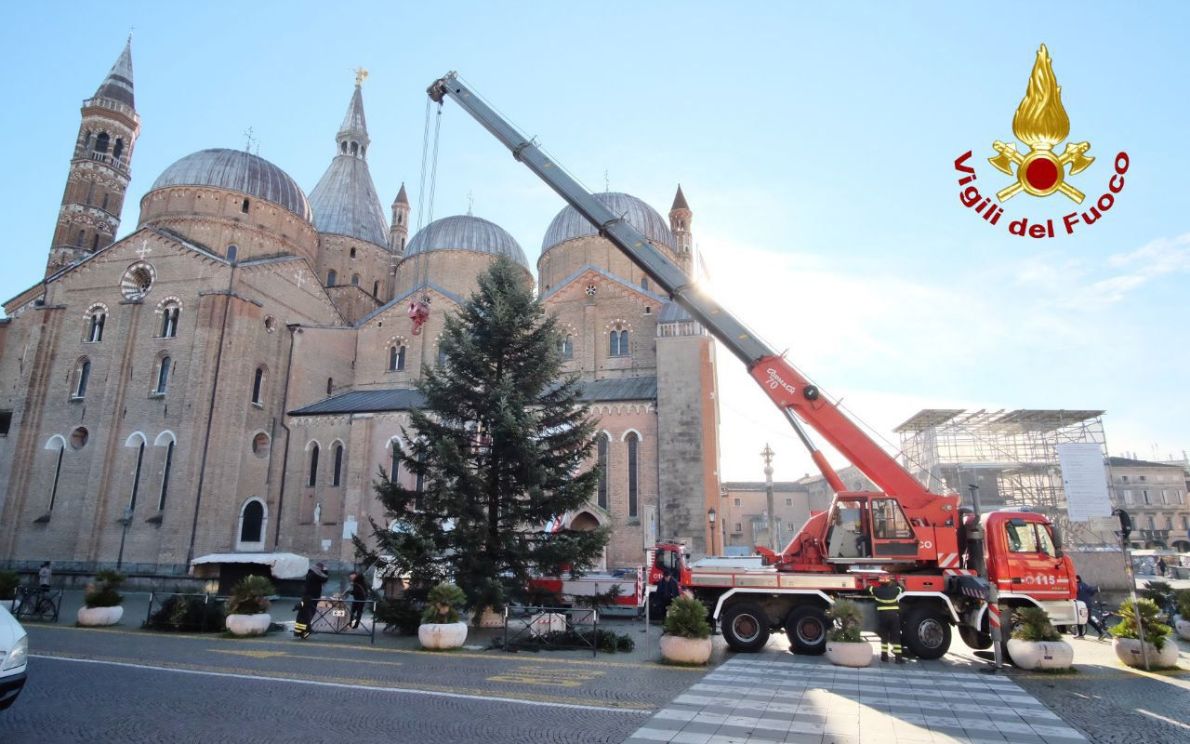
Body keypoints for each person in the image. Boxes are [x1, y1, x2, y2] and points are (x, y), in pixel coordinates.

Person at [869, 574, 905, 663]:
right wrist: (899, 582)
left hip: (883, 616)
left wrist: (866, 581)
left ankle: (884, 657)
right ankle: (898, 659)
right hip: (894, 616)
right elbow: (903, 589)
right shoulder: (895, 590)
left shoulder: (877, 590)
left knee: (884, 636)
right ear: (889, 582)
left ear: (880, 583)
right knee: (896, 637)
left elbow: (868, 588)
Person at [294, 561, 329, 639]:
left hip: (307, 597)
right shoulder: (314, 575)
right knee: (308, 614)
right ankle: (304, 631)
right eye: (321, 570)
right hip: (311, 598)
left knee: (304, 614)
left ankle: (302, 631)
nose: (321, 571)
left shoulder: (311, 573)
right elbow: (325, 579)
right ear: (319, 569)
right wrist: (326, 570)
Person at [1075, 575, 1104, 639]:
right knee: (1088, 620)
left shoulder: (1076, 585)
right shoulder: (1085, 585)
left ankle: (1080, 635)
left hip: (1081, 605)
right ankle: (1101, 633)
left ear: (1077, 579)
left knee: (1079, 619)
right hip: (1088, 605)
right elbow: (1091, 591)